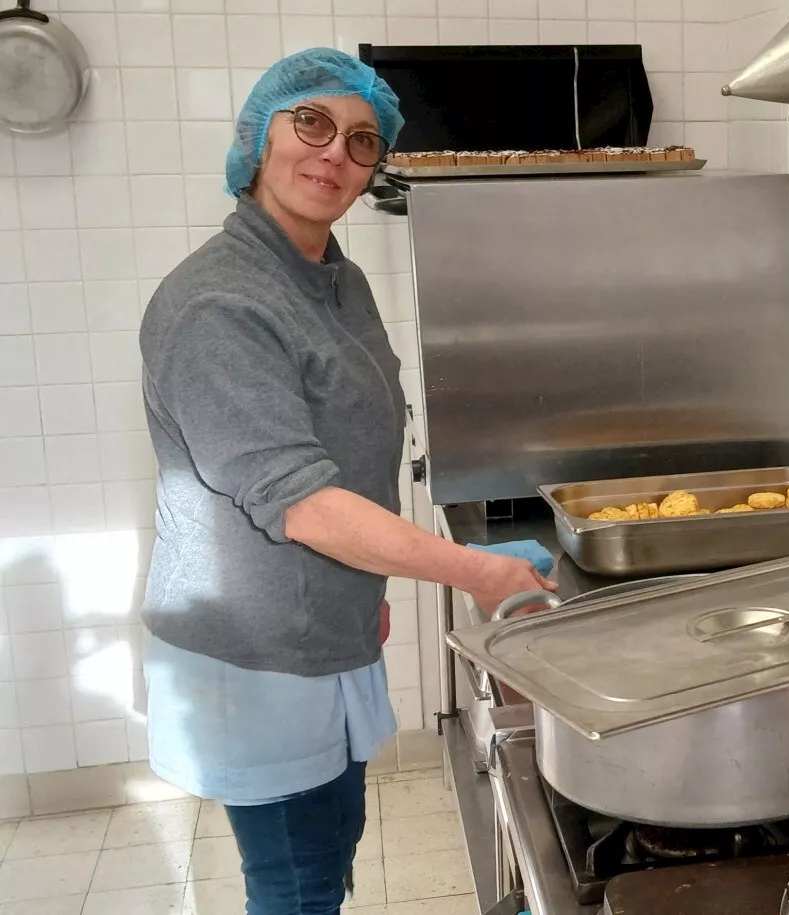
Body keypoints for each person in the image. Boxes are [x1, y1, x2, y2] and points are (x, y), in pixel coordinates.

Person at [138, 48, 555, 915]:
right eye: (313, 124)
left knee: (328, 852)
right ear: (258, 138)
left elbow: (350, 451)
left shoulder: (334, 278)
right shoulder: (219, 305)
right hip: (257, 653)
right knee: (295, 883)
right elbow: (300, 499)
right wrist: (472, 569)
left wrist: (365, 585)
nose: (335, 153)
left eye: (362, 141)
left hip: (323, 626)